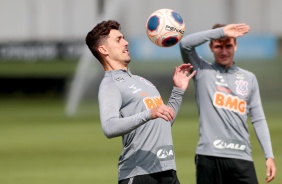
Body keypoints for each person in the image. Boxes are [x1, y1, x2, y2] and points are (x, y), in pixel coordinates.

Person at [85, 20, 196, 184]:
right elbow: (109, 127)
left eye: (124, 38)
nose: (126, 42)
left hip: (167, 171)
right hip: (139, 174)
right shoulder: (110, 84)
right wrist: (149, 113)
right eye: (118, 39)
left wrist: (178, 91)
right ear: (103, 49)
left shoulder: (142, 81)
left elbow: (164, 120)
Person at [179, 23, 276, 184]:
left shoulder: (249, 78)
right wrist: (222, 32)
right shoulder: (202, 70)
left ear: (235, 46)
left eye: (228, 45)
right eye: (218, 46)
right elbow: (185, 44)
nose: (224, 51)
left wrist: (269, 156)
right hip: (209, 156)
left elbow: (258, 119)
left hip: (241, 157)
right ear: (210, 46)